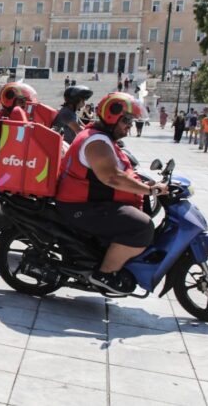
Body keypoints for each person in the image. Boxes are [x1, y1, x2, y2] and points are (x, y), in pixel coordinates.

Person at [56, 92, 167, 294]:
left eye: (131, 121)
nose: (129, 126)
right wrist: (149, 190)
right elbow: (112, 177)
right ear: (111, 116)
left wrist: (142, 183)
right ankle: (104, 274)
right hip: (81, 205)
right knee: (141, 227)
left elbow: (120, 172)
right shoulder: (96, 142)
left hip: (91, 201)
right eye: (126, 120)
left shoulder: (103, 137)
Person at [0, 82, 34, 176]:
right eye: (21, 102)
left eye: (25, 102)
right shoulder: (4, 121)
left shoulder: (8, 117)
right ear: (9, 101)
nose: (24, 106)